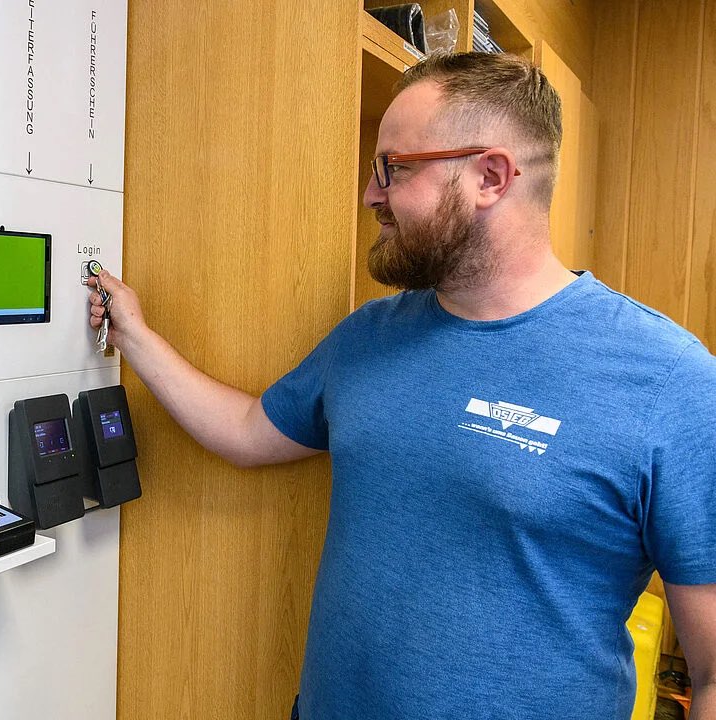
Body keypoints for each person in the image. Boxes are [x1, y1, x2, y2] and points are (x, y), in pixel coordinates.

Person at [88, 52, 716, 719]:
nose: (371, 194)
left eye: (395, 167)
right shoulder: (370, 336)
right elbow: (248, 433)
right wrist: (134, 337)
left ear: (490, 176)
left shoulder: (669, 382)